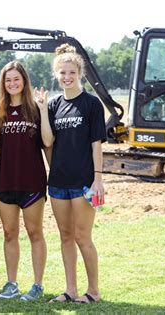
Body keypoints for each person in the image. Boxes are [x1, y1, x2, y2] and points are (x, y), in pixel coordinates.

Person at [44, 44, 105, 303]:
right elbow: (48, 143)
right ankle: (70, 290)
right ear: (56, 75)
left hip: (84, 183)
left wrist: (98, 179)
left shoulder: (91, 104)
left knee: (83, 237)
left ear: (79, 73)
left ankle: (93, 291)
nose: (67, 77)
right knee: (66, 236)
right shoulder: (53, 105)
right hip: (58, 182)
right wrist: (39, 109)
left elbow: (96, 144)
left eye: (71, 72)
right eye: (62, 73)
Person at [0, 61, 49, 301]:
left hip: (32, 181)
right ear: (3, 84)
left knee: (34, 232)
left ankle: (37, 285)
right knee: (10, 233)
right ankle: (11, 284)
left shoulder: (35, 107)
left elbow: (47, 140)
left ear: (24, 81)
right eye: (8, 80)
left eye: (16, 79)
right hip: (6, 181)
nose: (12, 83)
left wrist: (43, 112)